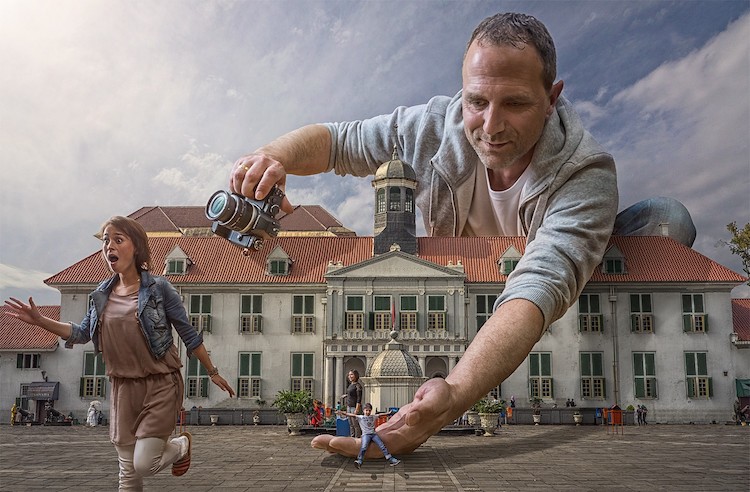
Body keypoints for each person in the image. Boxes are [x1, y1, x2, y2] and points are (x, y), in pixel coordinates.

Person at [231, 13, 696, 459]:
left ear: (552, 96)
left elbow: (535, 287)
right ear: (463, 94)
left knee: (668, 218)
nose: (490, 126)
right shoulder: (434, 124)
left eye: (514, 103)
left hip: (530, 263)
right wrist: (272, 156)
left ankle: (601, 256)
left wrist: (453, 393)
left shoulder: (586, 173)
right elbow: (339, 140)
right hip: (465, 264)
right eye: (477, 102)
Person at [3, 216, 235, 490]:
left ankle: (181, 445)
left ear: (135, 247)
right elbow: (81, 333)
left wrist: (212, 371)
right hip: (122, 387)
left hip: (160, 383)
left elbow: (188, 334)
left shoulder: (159, 289)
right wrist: (41, 320)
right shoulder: (101, 294)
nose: (109, 246)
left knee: (144, 463)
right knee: (127, 471)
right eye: (105, 241)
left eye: (118, 240)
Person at [337, 404, 400, 468]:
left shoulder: (373, 416)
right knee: (364, 447)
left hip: (373, 434)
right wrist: (343, 413)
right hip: (366, 435)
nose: (368, 412)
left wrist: (389, 413)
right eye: (366, 410)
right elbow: (352, 415)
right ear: (363, 410)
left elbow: (380, 415)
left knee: (382, 446)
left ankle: (390, 459)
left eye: (369, 410)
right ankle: (359, 460)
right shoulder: (361, 417)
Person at [343, 370, 363, 438]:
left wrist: (357, 409)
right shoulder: (351, 385)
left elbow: (359, 398)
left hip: (354, 407)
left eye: (351, 374)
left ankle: (357, 438)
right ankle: (352, 437)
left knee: (355, 424)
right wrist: (346, 395)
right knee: (350, 423)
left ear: (356, 376)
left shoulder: (358, 386)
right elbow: (351, 394)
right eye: (349, 375)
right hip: (349, 406)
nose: (350, 376)